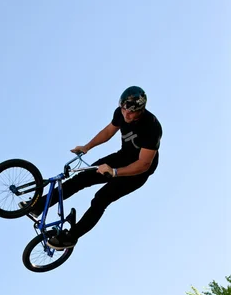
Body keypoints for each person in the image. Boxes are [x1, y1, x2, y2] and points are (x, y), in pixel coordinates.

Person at [29, 86, 162, 249]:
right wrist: (87, 147)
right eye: (124, 110)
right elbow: (108, 132)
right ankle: (39, 206)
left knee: (101, 198)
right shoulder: (121, 113)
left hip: (137, 173)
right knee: (81, 179)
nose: (126, 115)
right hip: (123, 156)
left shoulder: (152, 127)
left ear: (141, 110)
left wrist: (114, 172)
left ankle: (71, 237)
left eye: (132, 112)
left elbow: (144, 164)